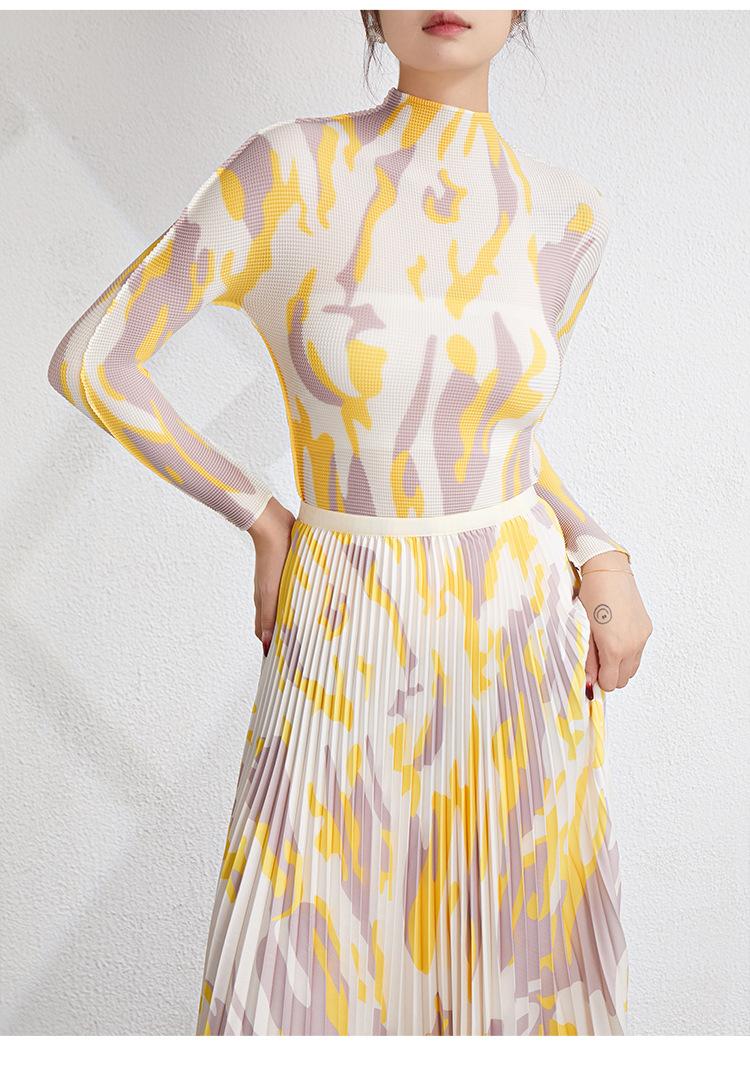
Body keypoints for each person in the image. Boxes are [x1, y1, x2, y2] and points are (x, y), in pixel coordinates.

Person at [48, 9, 653, 1036]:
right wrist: (262, 519)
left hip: (516, 635)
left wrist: (600, 550)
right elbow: (96, 360)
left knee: (517, 981)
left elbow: (492, 435)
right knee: (296, 980)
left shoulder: (569, 215)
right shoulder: (287, 172)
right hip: (344, 619)